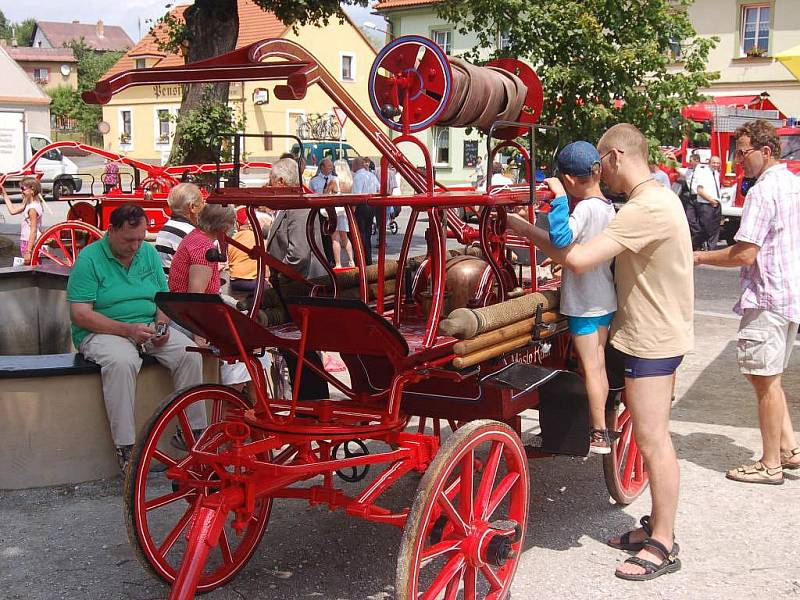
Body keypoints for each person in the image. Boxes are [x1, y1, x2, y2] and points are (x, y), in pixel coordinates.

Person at [508, 123, 692, 581]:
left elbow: (574, 258)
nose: (599, 172)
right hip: (648, 332)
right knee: (651, 436)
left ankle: (664, 543)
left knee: (652, 441)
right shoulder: (656, 199)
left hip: (653, 338)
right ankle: (653, 526)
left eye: (601, 162)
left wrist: (524, 226)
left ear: (613, 156)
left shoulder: (644, 208)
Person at [694, 119, 800, 484]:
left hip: (767, 295)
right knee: (769, 377)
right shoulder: (792, 183)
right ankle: (788, 447)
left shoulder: (762, 191)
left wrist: (699, 257)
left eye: (742, 152)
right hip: (788, 294)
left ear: (766, 151)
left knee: (764, 380)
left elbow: (744, 254)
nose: (737, 160)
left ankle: (771, 463)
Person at [66, 204, 204, 472]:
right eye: (129, 239)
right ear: (112, 230)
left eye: (141, 239)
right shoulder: (89, 259)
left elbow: (163, 299)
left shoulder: (148, 253)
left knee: (189, 351)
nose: (135, 246)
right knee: (122, 361)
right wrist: (126, 330)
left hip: (146, 326)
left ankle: (191, 434)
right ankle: (127, 448)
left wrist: (162, 326)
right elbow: (80, 314)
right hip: (100, 330)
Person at [539, 141, 618, 454]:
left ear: (569, 180)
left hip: (585, 304)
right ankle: (602, 426)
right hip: (604, 299)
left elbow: (561, 238)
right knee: (597, 365)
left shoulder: (583, 208)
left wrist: (558, 199)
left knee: (592, 368)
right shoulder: (607, 207)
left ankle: (598, 432)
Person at [266, 158, 329, 400]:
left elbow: (299, 254)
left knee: (303, 350)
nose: (269, 187)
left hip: (300, 288)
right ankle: (305, 403)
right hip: (293, 287)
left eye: (272, 182)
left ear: (281, 181)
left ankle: (312, 403)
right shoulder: (289, 206)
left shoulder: (298, 207)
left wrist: (280, 277)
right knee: (295, 350)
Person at [155, 183, 205, 274]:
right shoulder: (192, 235)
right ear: (192, 207)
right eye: (202, 202)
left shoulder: (164, 229)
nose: (204, 206)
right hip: (183, 286)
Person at [2, 177, 45, 265]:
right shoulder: (28, 204)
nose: (21, 191)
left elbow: (33, 231)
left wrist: (28, 252)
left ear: (32, 189)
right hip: (27, 241)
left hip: (30, 242)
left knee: (32, 267)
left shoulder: (33, 208)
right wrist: (4, 194)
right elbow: (12, 211)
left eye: (23, 189)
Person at [228, 207, 265, 293]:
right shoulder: (256, 237)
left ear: (237, 224)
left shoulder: (233, 238)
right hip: (252, 282)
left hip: (234, 282)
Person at [351, 156, 379, 265]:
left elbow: (356, 195)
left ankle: (360, 260)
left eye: (353, 164)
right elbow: (378, 188)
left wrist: (352, 211)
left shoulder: (358, 177)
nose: (352, 166)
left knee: (359, 234)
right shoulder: (371, 175)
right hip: (371, 205)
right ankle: (368, 259)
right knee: (367, 234)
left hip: (361, 206)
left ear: (357, 165)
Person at [691, 155, 722, 250]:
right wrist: (710, 200)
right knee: (705, 229)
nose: (716, 165)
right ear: (709, 163)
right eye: (714, 162)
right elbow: (700, 190)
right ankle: (693, 246)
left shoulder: (716, 173)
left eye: (718, 163)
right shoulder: (704, 173)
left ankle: (711, 248)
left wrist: (716, 202)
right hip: (706, 204)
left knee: (715, 229)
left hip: (716, 204)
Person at [330, 159, 355, 268]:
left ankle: (338, 263)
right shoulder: (350, 181)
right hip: (345, 211)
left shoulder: (335, 180)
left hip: (335, 211)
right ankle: (351, 260)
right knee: (345, 237)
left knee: (335, 238)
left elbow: (326, 193)